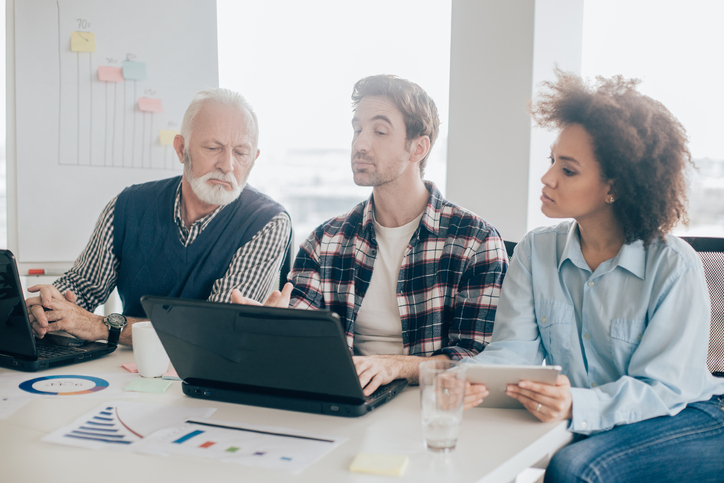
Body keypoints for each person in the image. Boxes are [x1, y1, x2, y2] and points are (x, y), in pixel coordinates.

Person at [463, 71, 724, 482]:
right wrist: (464, 381)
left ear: (613, 188)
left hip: (690, 415)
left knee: (577, 469)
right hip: (596, 412)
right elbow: (513, 351)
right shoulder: (536, 251)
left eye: (568, 170)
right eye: (552, 162)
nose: (547, 178)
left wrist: (575, 405)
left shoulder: (675, 266)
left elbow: (663, 388)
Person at [234, 75, 508, 396]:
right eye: (357, 129)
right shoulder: (325, 241)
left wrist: (395, 365)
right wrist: (275, 327)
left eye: (379, 131)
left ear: (418, 147)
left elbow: (476, 355)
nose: (360, 144)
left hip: (432, 406)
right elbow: (306, 341)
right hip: (348, 398)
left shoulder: (476, 242)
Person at [27, 88, 291, 347]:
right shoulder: (127, 206)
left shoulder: (267, 222)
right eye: (213, 148)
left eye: (241, 153)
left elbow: (213, 329)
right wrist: (49, 306)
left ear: (254, 159)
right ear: (181, 149)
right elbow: (82, 287)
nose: (228, 165)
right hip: (124, 370)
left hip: (203, 376)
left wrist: (99, 326)